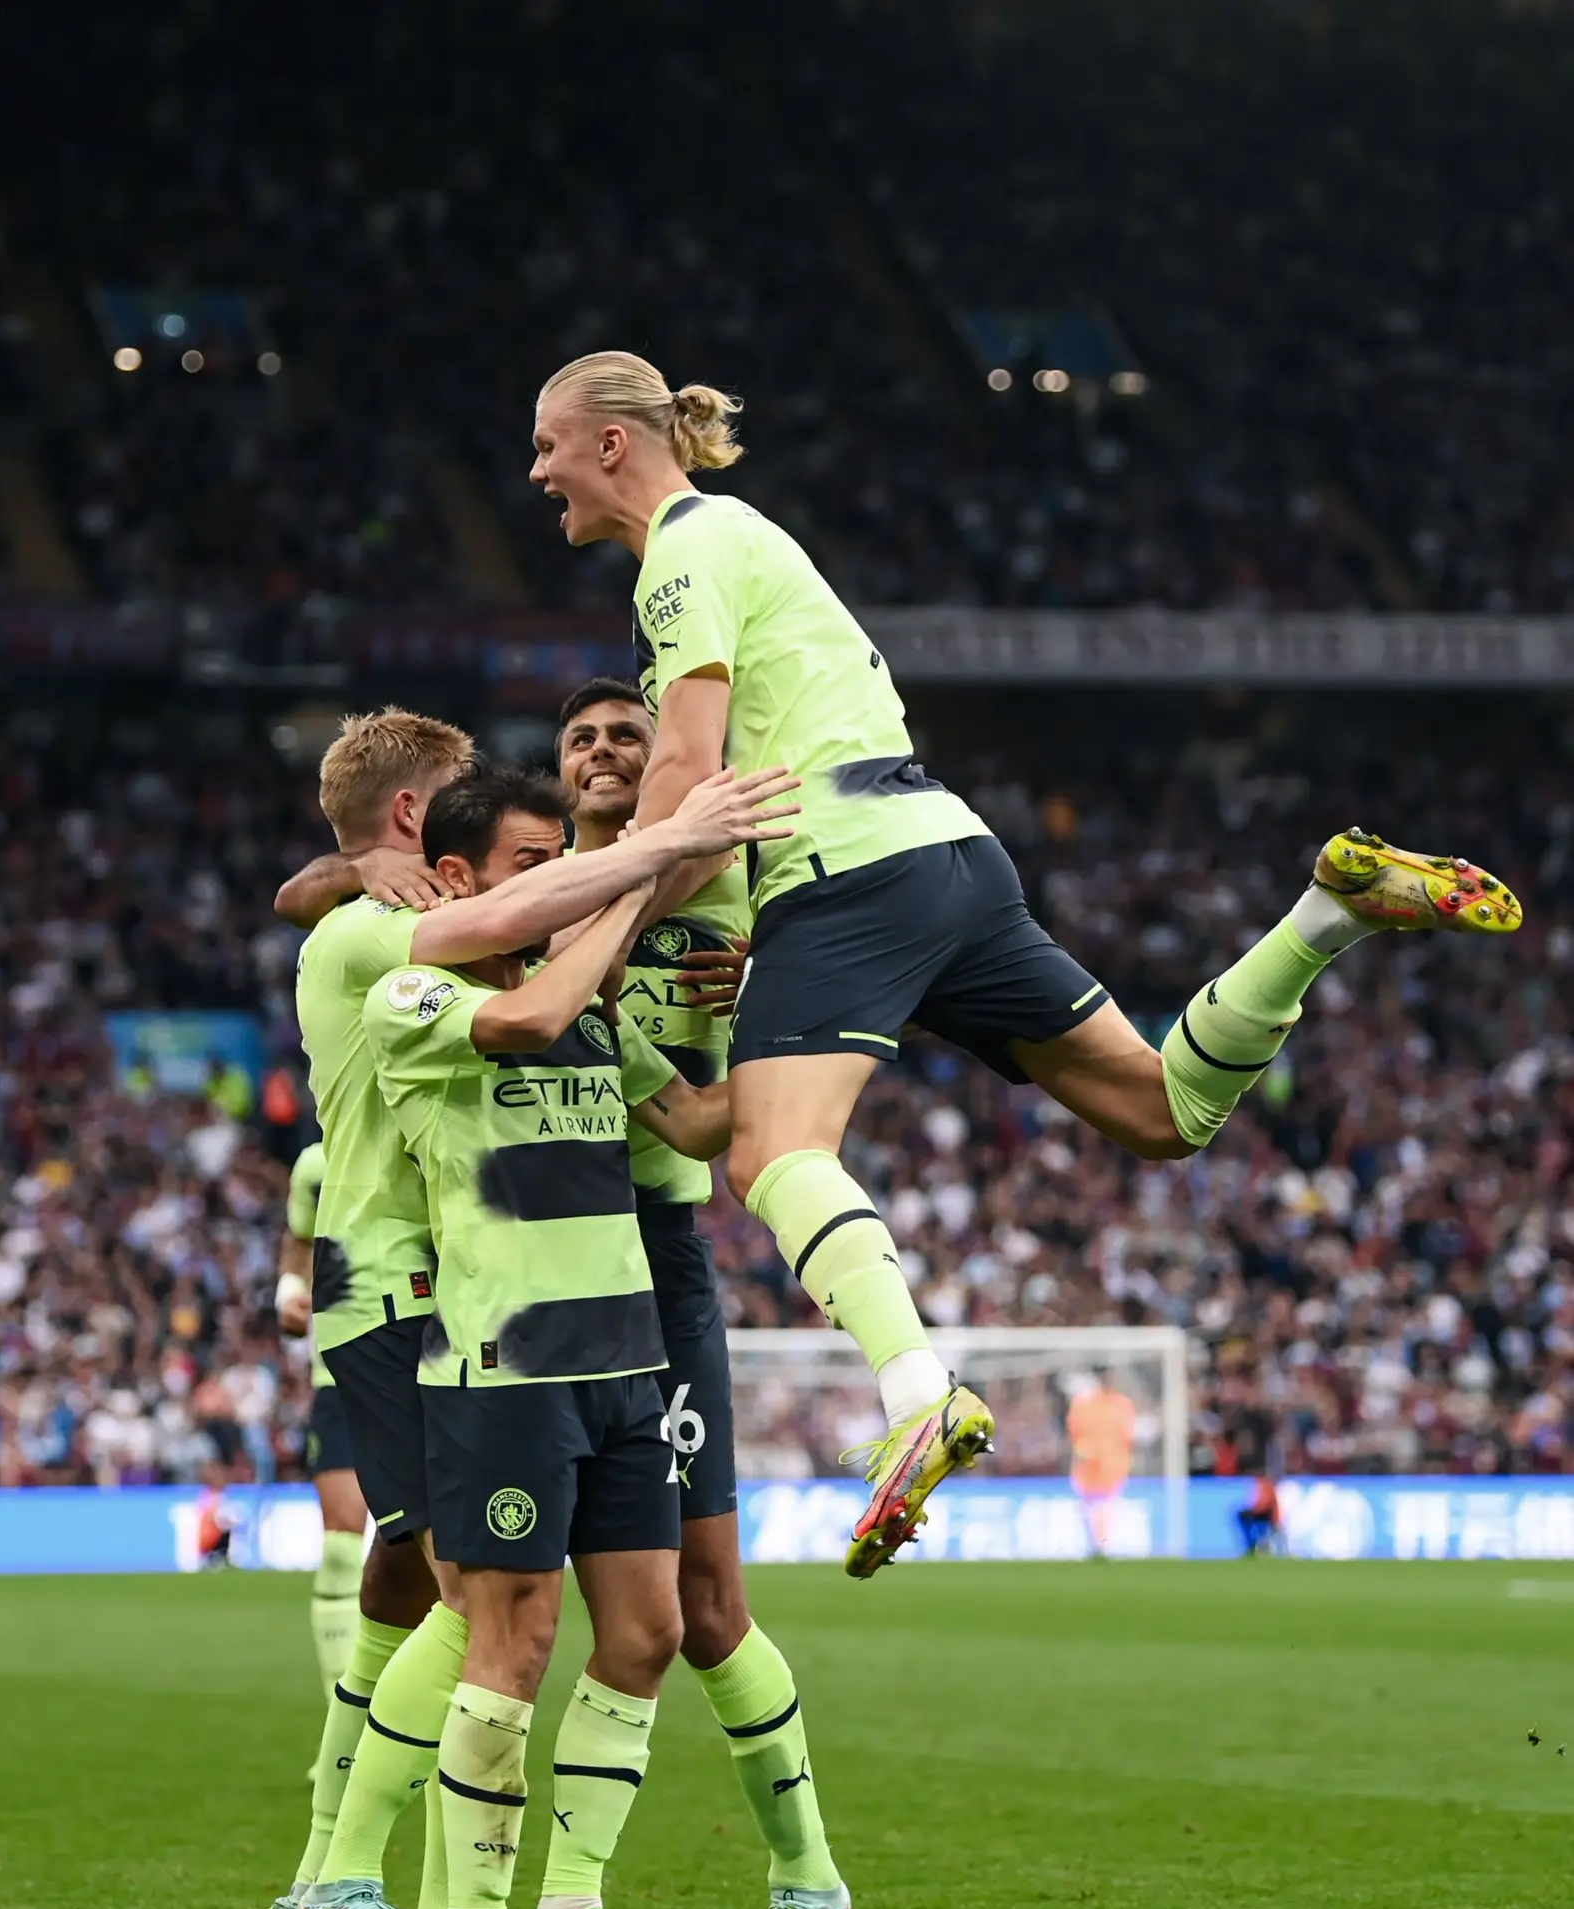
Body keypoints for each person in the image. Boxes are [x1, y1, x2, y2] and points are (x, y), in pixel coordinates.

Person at [528, 348, 1526, 1577]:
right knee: (1164, 1110)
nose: (537, 472)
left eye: (548, 443)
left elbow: (683, 779)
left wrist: (592, 933)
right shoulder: (741, 537)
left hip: (842, 863)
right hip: (950, 850)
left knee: (777, 1154)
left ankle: (918, 1396)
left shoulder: (682, 553)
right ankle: (1329, 908)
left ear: (612, 443)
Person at [211, 710, 797, 1909]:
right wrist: (663, 858)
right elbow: (501, 977)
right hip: (412, 1294)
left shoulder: (494, 956)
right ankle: (371, 1884)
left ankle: (393, 1879)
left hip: (549, 1323)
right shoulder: (388, 944)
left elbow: (686, 1109)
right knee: (471, 1601)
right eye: (501, 834)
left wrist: (805, 1016)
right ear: (431, 832)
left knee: (466, 1593)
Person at [363, 764, 750, 1909]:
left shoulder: (594, 1012)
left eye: (559, 862)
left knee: (648, 1632)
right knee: (514, 1637)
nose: (561, 880)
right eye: (539, 866)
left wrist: (803, 1010)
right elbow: (524, 1020)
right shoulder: (412, 991)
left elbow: (696, 1128)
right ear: (462, 879)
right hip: (505, 1373)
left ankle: (573, 1907)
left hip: (626, 1369)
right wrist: (638, 883)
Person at [557, 677, 850, 1909]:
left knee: (706, 1606)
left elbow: (726, 1120)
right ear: (556, 774)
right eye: (584, 739)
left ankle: (806, 1882)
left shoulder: (739, 889)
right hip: (517, 1271)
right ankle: (393, 1893)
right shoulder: (529, 888)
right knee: (484, 1605)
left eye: (630, 732)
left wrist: (754, 1012)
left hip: (653, 1263)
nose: (610, 751)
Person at [276, 1140, 367, 1699]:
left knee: (430, 1564)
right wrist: (290, 1291)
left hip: (427, 1371)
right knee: (340, 1550)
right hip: (340, 1374)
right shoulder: (315, 1163)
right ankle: (345, 1725)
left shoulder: (432, 1132)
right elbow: (299, 1241)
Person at [1066, 1369, 1136, 1561]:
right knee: (1094, 1505)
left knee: (1104, 1504)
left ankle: (1103, 1545)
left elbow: (1128, 1434)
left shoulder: (1119, 1404)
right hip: (1092, 1463)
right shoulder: (1087, 1404)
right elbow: (1075, 1432)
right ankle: (1097, 1544)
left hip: (1109, 1463)